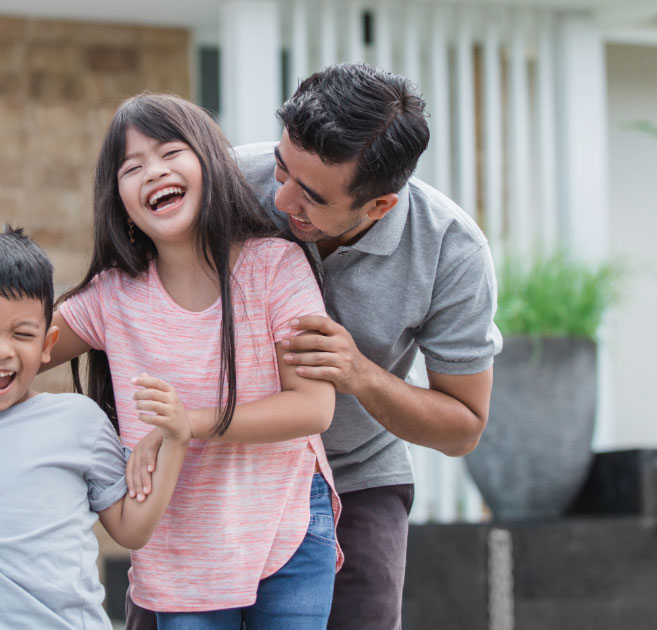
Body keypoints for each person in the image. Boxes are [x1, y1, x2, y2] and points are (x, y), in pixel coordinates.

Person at [0, 94, 343, 630]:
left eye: (170, 153)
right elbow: (18, 350)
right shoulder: (112, 296)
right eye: (132, 167)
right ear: (120, 199)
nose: (153, 172)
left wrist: (190, 424)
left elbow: (314, 408)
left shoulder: (275, 266)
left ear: (210, 162)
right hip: (178, 544)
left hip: (284, 523)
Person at [124, 63, 503, 630]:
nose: (279, 201)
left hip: (353, 474)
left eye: (312, 197)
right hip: (212, 470)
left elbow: (464, 426)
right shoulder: (223, 183)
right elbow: (113, 294)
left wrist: (362, 375)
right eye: (281, 169)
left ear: (379, 207)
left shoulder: (451, 252)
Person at [0, 228, 190, 630]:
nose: (2, 350)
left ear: (47, 343)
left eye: (22, 334)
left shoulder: (80, 421)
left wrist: (177, 440)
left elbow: (132, 528)